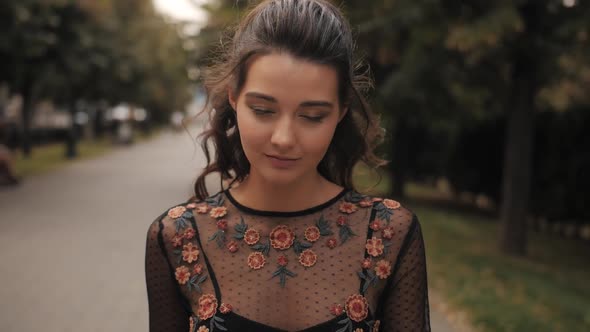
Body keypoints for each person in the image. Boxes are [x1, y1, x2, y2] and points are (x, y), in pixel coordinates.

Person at [145, 0, 431, 331]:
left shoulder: (389, 233)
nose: (283, 138)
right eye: (263, 110)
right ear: (234, 98)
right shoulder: (178, 236)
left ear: (339, 113)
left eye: (312, 116)